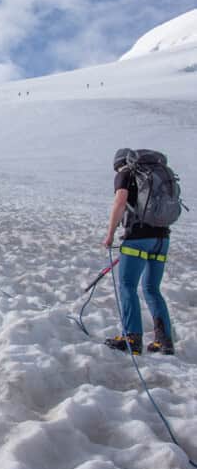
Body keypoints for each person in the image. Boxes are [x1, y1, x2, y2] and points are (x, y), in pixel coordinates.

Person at [103, 148, 174, 355]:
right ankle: (164, 341)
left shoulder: (126, 174)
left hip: (137, 238)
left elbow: (120, 201)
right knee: (152, 288)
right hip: (162, 238)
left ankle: (131, 337)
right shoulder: (157, 174)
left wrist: (110, 234)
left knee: (127, 286)